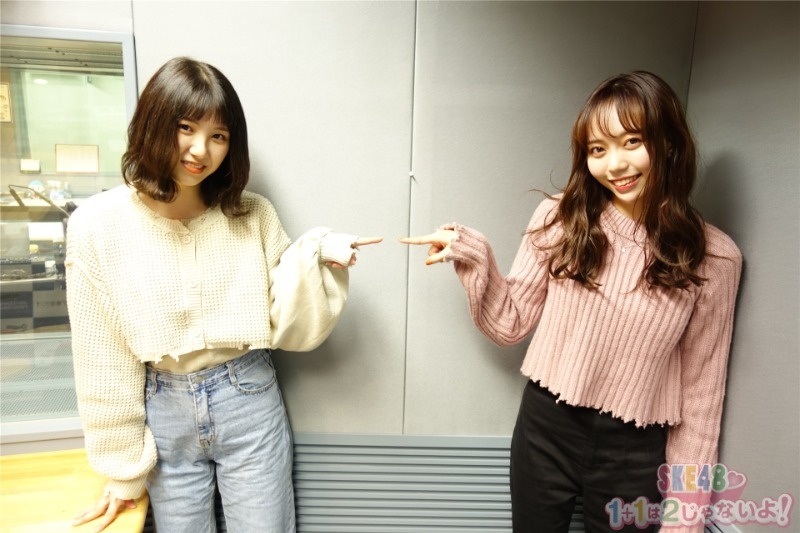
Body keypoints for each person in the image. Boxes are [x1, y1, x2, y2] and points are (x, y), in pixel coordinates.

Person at [402, 71, 741, 533]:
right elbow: (509, 323)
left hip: (637, 451)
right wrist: (474, 255)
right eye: (597, 149)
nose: (614, 165)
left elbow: (702, 400)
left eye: (632, 142)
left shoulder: (715, 258)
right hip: (546, 428)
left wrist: (686, 519)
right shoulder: (560, 218)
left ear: (668, 142)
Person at [66, 57, 381, 533]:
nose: (201, 150)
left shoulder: (251, 213)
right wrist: (123, 470)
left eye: (219, 135)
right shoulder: (97, 225)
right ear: (153, 122)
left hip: (247, 395)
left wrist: (317, 254)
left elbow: (286, 314)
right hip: (163, 408)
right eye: (185, 128)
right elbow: (101, 356)